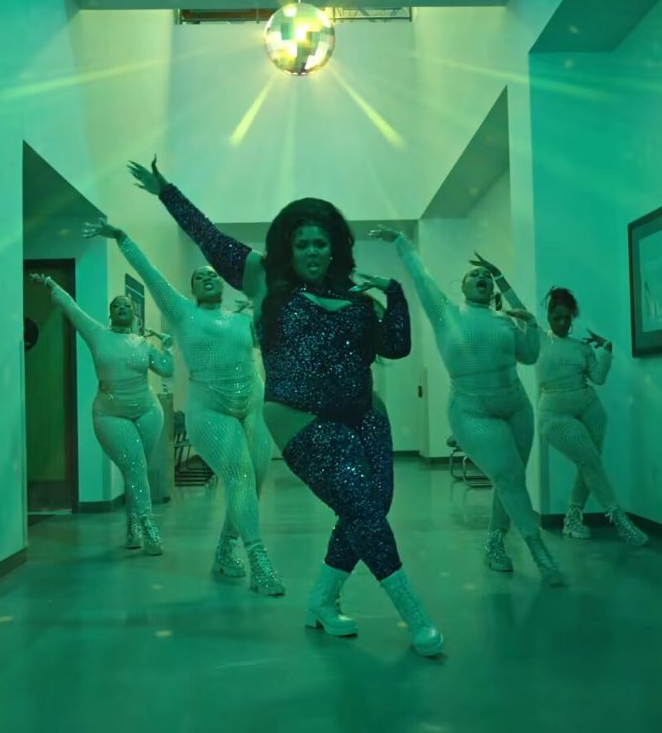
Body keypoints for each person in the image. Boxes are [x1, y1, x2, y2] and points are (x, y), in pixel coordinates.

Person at [132, 155, 444, 657]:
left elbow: (397, 346)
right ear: (288, 248)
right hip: (302, 419)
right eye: (302, 244)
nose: (312, 251)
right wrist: (166, 191)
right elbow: (208, 235)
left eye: (320, 242)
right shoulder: (264, 281)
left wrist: (395, 293)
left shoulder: (357, 296)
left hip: (367, 417)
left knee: (369, 508)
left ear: (334, 247)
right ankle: (416, 617)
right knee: (361, 507)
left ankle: (321, 601)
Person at [83, 218, 284, 595]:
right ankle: (259, 558)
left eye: (213, 275)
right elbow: (151, 274)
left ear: (222, 283)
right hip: (211, 410)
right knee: (239, 477)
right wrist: (123, 237)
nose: (208, 278)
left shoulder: (241, 321)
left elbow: (277, 329)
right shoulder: (182, 313)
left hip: (253, 403)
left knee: (253, 483)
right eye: (200, 276)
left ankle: (225, 547)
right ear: (192, 289)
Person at [372, 230, 566, 584]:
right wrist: (401, 242)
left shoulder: (505, 320)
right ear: (462, 287)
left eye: (487, 276)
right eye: (475, 275)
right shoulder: (446, 313)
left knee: (509, 479)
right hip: (471, 410)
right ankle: (540, 552)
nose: (482, 278)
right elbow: (422, 278)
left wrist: (527, 317)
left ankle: (494, 543)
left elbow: (530, 354)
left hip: (516, 407)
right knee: (509, 475)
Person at [29, 275, 172, 554]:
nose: (122, 308)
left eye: (127, 306)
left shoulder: (143, 344)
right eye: (117, 305)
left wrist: (168, 346)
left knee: (136, 469)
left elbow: (167, 369)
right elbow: (72, 309)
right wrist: (51, 285)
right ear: (110, 313)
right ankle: (148, 525)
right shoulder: (97, 334)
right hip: (111, 414)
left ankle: (132, 524)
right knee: (135, 466)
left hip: (148, 411)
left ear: (134, 314)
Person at [538, 287, 648, 546]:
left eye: (567, 318)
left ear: (573, 317)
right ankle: (620, 520)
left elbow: (598, 378)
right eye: (556, 317)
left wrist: (607, 350)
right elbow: (517, 307)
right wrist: (499, 278)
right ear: (548, 317)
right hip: (554, 413)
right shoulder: (538, 339)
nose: (562, 323)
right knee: (590, 461)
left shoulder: (581, 348)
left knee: (589, 462)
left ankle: (572, 518)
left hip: (590, 407)